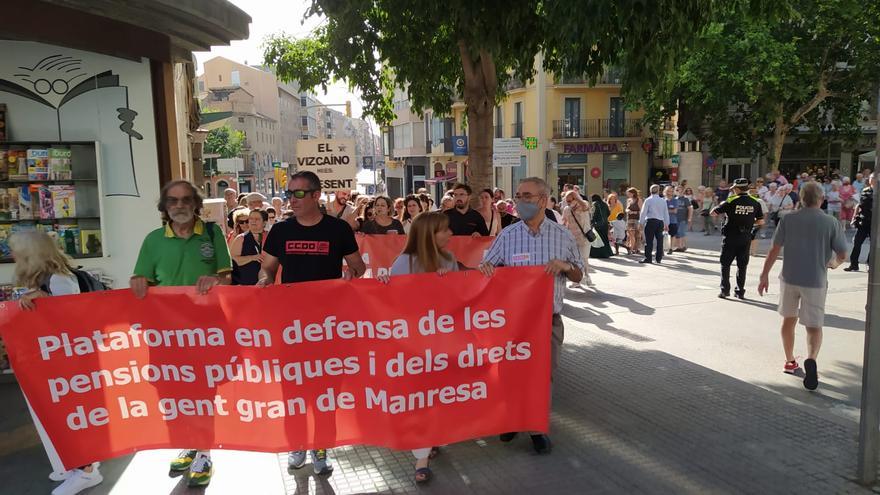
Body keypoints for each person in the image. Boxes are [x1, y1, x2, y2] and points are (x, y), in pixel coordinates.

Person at [258, 171, 366, 475]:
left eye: (299, 193)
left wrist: (350, 273)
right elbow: (267, 269)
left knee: (325, 390)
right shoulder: (280, 231)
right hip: (291, 327)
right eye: (289, 192)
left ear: (317, 196)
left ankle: (321, 446)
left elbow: (359, 267)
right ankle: (297, 444)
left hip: (328, 327)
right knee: (292, 390)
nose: (291, 199)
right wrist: (264, 280)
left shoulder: (338, 229)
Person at [130, 180, 231, 487]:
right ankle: (190, 444)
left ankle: (204, 453)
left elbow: (227, 278)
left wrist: (215, 280)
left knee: (203, 393)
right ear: (165, 207)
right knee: (174, 393)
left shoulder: (212, 235)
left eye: (186, 199)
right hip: (166, 336)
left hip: (204, 333)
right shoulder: (153, 240)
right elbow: (141, 279)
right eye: (172, 201)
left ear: (196, 204)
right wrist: (137, 282)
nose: (179, 205)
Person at [478, 177, 584, 454]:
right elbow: (486, 266)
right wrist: (486, 268)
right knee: (510, 373)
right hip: (513, 323)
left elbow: (579, 275)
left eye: (526, 196)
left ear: (542, 199)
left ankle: (536, 428)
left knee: (543, 376)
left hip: (548, 321)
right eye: (518, 195)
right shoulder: (508, 235)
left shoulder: (562, 236)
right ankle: (512, 420)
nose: (520, 201)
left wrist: (565, 266)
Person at [8, 231, 104, 495]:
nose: (12, 254)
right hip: (55, 360)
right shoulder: (44, 278)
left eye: (16, 249)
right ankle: (76, 463)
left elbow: (74, 319)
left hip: (68, 363)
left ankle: (86, 471)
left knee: (73, 413)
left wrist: (46, 303)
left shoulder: (59, 280)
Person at [377, 212, 456, 483]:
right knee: (420, 400)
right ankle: (421, 458)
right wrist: (385, 286)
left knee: (437, 397)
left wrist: (449, 284)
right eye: (443, 230)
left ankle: (432, 439)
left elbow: (459, 301)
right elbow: (393, 303)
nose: (449, 235)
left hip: (442, 345)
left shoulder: (449, 260)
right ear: (427, 235)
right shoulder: (404, 262)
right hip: (412, 348)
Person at [758, 182, 848, 390]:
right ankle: (812, 359)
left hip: (789, 278)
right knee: (814, 326)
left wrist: (764, 275)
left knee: (788, 320)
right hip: (815, 280)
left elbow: (774, 249)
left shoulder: (788, 219)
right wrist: (833, 263)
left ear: (800, 198)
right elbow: (843, 254)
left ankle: (790, 360)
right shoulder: (830, 222)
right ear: (821, 199)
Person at [711, 178, 763, 299]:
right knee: (742, 265)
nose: (733, 191)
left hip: (730, 237)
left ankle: (725, 290)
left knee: (725, 264)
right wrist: (751, 228)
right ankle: (740, 291)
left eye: (734, 189)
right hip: (745, 237)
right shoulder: (755, 202)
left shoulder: (731, 200)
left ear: (737, 189)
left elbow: (714, 212)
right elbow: (760, 221)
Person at [562, 191, 594, 287]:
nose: (568, 202)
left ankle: (587, 276)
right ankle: (576, 281)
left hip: (584, 237)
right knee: (574, 260)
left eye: (570, 200)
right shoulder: (566, 209)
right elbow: (565, 223)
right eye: (566, 201)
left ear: (575, 198)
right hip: (572, 238)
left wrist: (578, 199)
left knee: (584, 258)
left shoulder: (583, 205)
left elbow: (586, 207)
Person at [844, 173, 874, 272]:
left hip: (875, 223)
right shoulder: (865, 190)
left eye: (874, 178)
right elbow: (859, 205)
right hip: (863, 221)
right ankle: (854, 264)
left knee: (874, 245)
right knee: (857, 242)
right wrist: (854, 217)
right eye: (871, 178)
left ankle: (871, 265)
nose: (872, 180)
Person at [230, 208, 267, 285]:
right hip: (245, 287)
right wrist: (252, 257)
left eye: (257, 219)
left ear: (264, 223)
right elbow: (233, 261)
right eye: (251, 218)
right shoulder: (240, 238)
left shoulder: (270, 237)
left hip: (267, 285)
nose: (253, 221)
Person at [638, 184, 669, 264]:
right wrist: (667, 224)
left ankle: (648, 258)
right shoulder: (663, 200)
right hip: (660, 222)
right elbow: (666, 213)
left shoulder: (648, 200)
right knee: (659, 240)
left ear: (650, 191)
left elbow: (643, 212)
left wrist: (641, 223)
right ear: (658, 191)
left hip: (651, 221)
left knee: (649, 240)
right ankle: (658, 258)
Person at [589, 194, 613, 259]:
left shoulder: (594, 204)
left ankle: (597, 254)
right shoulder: (604, 204)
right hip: (605, 224)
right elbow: (609, 213)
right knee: (604, 238)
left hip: (597, 224)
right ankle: (606, 253)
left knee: (597, 239)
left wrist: (592, 221)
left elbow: (593, 214)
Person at [672, 186, 692, 252]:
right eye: (677, 190)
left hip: (683, 218)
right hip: (675, 219)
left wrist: (689, 218)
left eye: (680, 190)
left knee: (681, 232)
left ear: (683, 191)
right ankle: (681, 246)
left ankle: (681, 246)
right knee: (677, 233)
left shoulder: (685, 199)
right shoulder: (674, 199)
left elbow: (690, 208)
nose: (679, 191)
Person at [625, 187, 643, 255]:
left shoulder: (639, 200)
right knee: (630, 234)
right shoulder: (628, 200)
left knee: (637, 234)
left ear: (633, 193)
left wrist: (635, 212)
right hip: (629, 219)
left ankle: (636, 248)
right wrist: (628, 211)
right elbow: (626, 208)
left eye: (629, 193)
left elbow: (641, 210)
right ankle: (631, 248)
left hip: (637, 219)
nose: (628, 195)